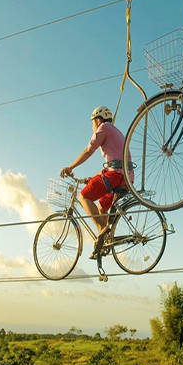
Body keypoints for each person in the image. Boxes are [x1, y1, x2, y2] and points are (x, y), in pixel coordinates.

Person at [60, 106, 132, 258]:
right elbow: (111, 163)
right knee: (101, 208)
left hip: (115, 175)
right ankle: (105, 239)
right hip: (126, 177)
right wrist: (91, 179)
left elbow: (88, 150)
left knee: (84, 196)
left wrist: (70, 167)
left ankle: (101, 231)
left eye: (92, 123)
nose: (92, 126)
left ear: (98, 120)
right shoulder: (116, 131)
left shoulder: (103, 128)